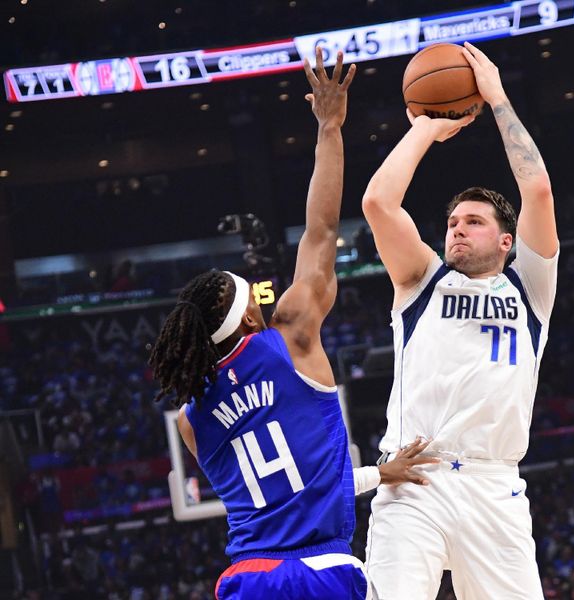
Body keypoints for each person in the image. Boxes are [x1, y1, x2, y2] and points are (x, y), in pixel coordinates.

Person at [149, 49, 434, 600]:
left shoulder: (191, 419)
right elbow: (321, 230)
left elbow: (287, 492)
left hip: (246, 578)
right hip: (322, 569)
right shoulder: (294, 335)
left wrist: (380, 474)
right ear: (250, 314)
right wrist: (330, 127)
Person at [361, 41, 559, 599]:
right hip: (413, 478)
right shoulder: (422, 279)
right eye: (451, 221)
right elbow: (379, 204)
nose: (456, 228)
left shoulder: (530, 288)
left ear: (505, 239)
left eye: (472, 221)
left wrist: (495, 98)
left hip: (494, 484)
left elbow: (537, 189)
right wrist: (426, 126)